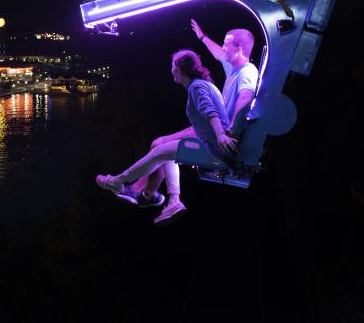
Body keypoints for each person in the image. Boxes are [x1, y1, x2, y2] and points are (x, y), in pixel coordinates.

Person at [120, 20, 259, 209]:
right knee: (158, 144)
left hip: (217, 135)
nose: (224, 48)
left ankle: (138, 191)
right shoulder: (234, 68)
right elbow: (219, 54)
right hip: (211, 127)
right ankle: (147, 194)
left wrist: (230, 134)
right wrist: (202, 37)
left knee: (160, 147)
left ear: (239, 49)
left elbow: (245, 98)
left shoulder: (248, 72)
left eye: (227, 44)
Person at [96, 49, 237, 226]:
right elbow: (202, 122)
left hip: (216, 151)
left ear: (178, 70)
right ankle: (173, 202)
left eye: (173, 66)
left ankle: (118, 181)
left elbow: (210, 112)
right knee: (168, 150)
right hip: (211, 146)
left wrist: (220, 135)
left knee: (161, 152)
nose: (171, 70)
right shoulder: (203, 85)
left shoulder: (196, 87)